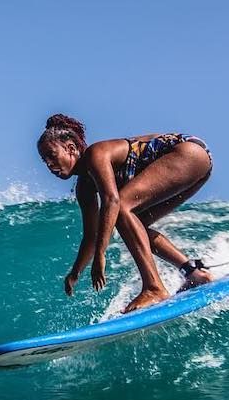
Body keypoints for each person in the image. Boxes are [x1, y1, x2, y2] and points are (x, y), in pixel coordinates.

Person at [37, 113, 214, 313]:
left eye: (51, 156)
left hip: (187, 153)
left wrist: (101, 255)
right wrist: (75, 272)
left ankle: (153, 287)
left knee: (120, 208)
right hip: (195, 163)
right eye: (44, 161)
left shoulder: (96, 154)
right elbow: (91, 235)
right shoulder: (84, 187)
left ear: (71, 148)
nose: (49, 164)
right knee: (134, 224)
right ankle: (193, 273)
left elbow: (111, 200)